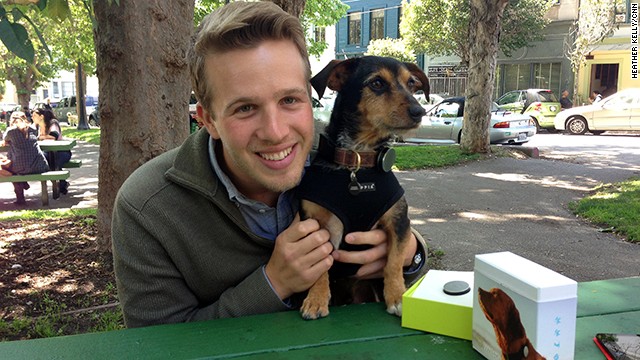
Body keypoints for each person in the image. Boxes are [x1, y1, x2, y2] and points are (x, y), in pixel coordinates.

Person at [111, 1, 428, 328]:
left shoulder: (347, 159)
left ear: (310, 97)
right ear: (208, 120)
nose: (276, 133)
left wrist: (410, 254)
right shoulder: (146, 207)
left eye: (290, 99)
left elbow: (403, 257)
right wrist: (274, 283)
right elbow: (158, 345)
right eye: (245, 108)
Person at [0, 111, 50, 204]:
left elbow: (5, 140)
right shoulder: (33, 129)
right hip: (39, 166)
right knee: (17, 160)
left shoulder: (11, 131)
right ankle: (22, 183)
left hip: (20, 168)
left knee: (6, 167)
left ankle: (20, 197)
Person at [32, 108, 72, 194]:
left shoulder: (52, 123)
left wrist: (41, 137)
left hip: (62, 152)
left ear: (41, 116)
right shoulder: (37, 126)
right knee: (44, 161)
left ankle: (60, 186)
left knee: (53, 164)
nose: (32, 117)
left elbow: (54, 135)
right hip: (48, 152)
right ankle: (61, 184)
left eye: (34, 115)